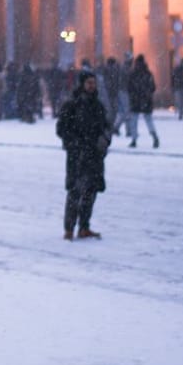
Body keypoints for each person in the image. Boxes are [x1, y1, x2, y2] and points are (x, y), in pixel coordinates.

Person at [56, 69, 110, 240]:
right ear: (82, 84)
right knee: (75, 191)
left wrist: (104, 140)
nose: (92, 86)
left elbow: (106, 127)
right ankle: (69, 228)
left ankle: (84, 226)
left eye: (93, 83)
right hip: (77, 156)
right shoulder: (72, 105)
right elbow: (62, 129)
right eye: (89, 83)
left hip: (95, 155)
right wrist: (75, 145)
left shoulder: (98, 105)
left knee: (91, 191)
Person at [126, 54, 159, 149]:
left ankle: (134, 139)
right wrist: (147, 93)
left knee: (134, 121)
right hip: (146, 100)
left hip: (135, 100)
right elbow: (153, 87)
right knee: (149, 120)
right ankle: (154, 136)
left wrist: (133, 95)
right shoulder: (148, 73)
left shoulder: (133, 73)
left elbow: (129, 87)